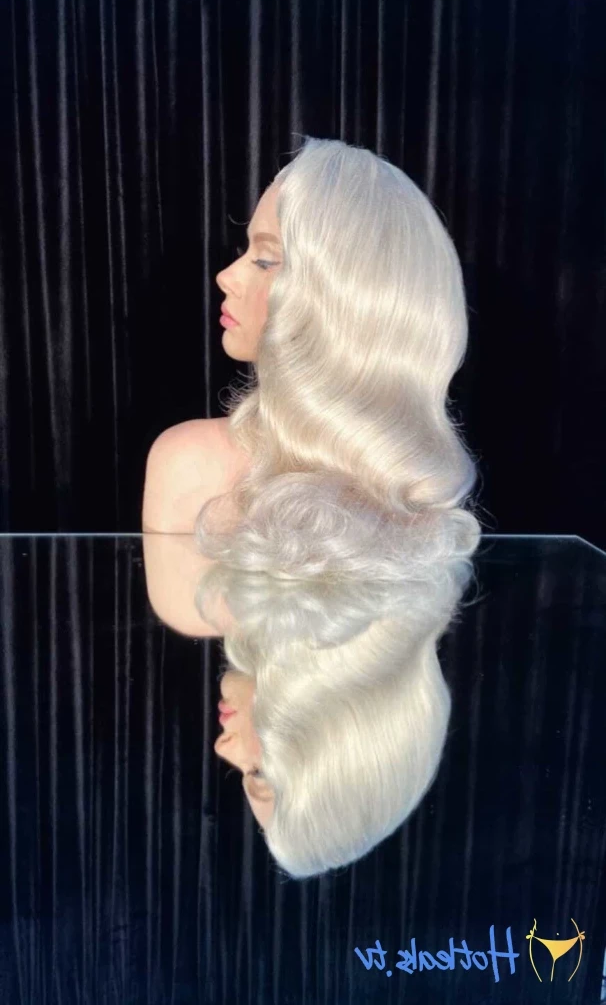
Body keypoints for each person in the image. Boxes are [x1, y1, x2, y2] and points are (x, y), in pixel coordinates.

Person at [143, 136, 483, 879]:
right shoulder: (194, 467)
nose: (227, 274)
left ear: (345, 296)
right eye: (257, 771)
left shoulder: (411, 490)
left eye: (265, 259)